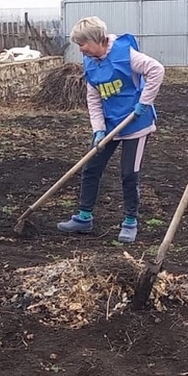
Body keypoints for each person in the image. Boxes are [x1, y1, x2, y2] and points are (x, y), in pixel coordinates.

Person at [57, 16, 164, 243]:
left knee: (128, 174)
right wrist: (98, 129)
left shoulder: (127, 55)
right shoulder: (90, 63)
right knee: (91, 166)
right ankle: (84, 217)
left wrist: (144, 103)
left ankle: (130, 221)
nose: (81, 49)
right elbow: (93, 99)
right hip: (109, 124)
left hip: (136, 124)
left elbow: (156, 70)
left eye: (82, 44)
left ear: (97, 39)